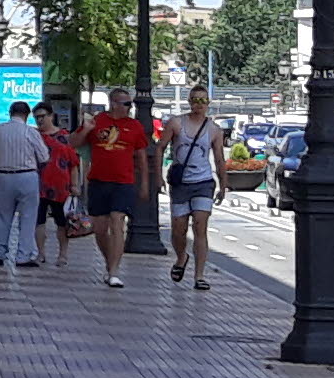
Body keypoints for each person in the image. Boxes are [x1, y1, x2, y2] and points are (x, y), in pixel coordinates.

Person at [79, 91, 152, 290]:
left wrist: (145, 184)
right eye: (126, 103)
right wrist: (85, 130)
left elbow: (142, 157)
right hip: (98, 181)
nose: (130, 107)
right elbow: (74, 144)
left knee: (117, 221)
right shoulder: (97, 121)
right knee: (100, 229)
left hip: (123, 182)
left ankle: (114, 272)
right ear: (113, 103)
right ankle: (109, 262)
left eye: (130, 104)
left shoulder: (135, 126)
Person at [163, 93, 225, 290]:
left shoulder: (214, 129)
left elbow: (219, 159)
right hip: (181, 183)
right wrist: (158, 177)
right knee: (178, 229)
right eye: (195, 100)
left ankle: (200, 276)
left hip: (203, 183)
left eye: (202, 100)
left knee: (200, 226)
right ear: (189, 102)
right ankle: (181, 257)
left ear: (208, 104)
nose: (198, 104)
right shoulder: (176, 123)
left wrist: (224, 185)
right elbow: (159, 148)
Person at [0, 102, 47, 269]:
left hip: (3, 176)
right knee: (28, 217)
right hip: (27, 176)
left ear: (10, 112)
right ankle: (23, 255)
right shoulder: (31, 132)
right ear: (27, 115)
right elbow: (44, 156)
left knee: (2, 217)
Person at [36, 111, 81, 261]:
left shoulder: (65, 137)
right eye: (36, 117)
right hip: (39, 186)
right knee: (38, 221)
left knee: (62, 222)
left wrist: (75, 185)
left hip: (61, 187)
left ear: (51, 116)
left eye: (42, 116)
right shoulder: (35, 136)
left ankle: (63, 254)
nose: (39, 120)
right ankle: (40, 253)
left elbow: (73, 163)